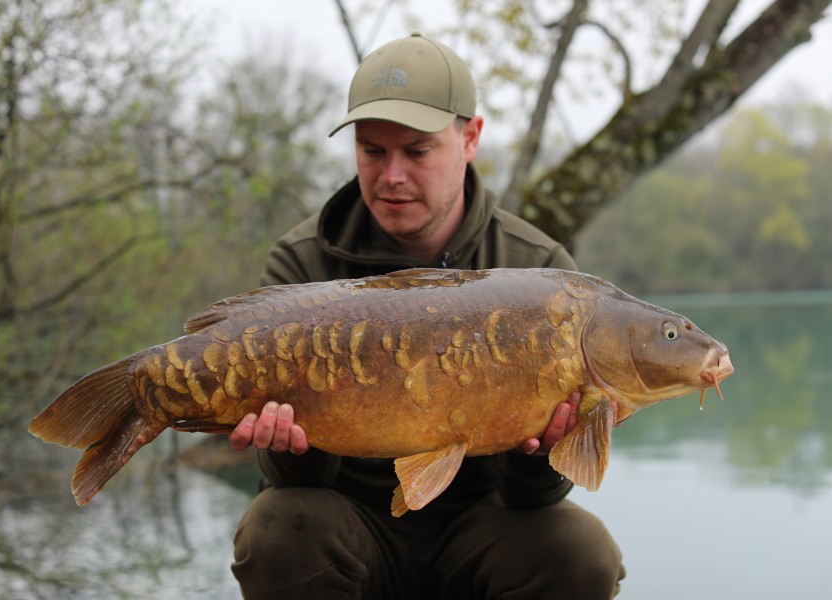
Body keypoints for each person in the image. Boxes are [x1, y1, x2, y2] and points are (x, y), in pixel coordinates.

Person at [228, 33, 625, 599]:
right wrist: (289, 445)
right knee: (278, 525)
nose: (391, 176)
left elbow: (534, 501)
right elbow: (292, 485)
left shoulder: (538, 270)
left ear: (470, 138)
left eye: (416, 152)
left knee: (579, 549)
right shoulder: (303, 262)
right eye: (372, 151)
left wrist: (542, 455)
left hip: (482, 530)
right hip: (351, 526)